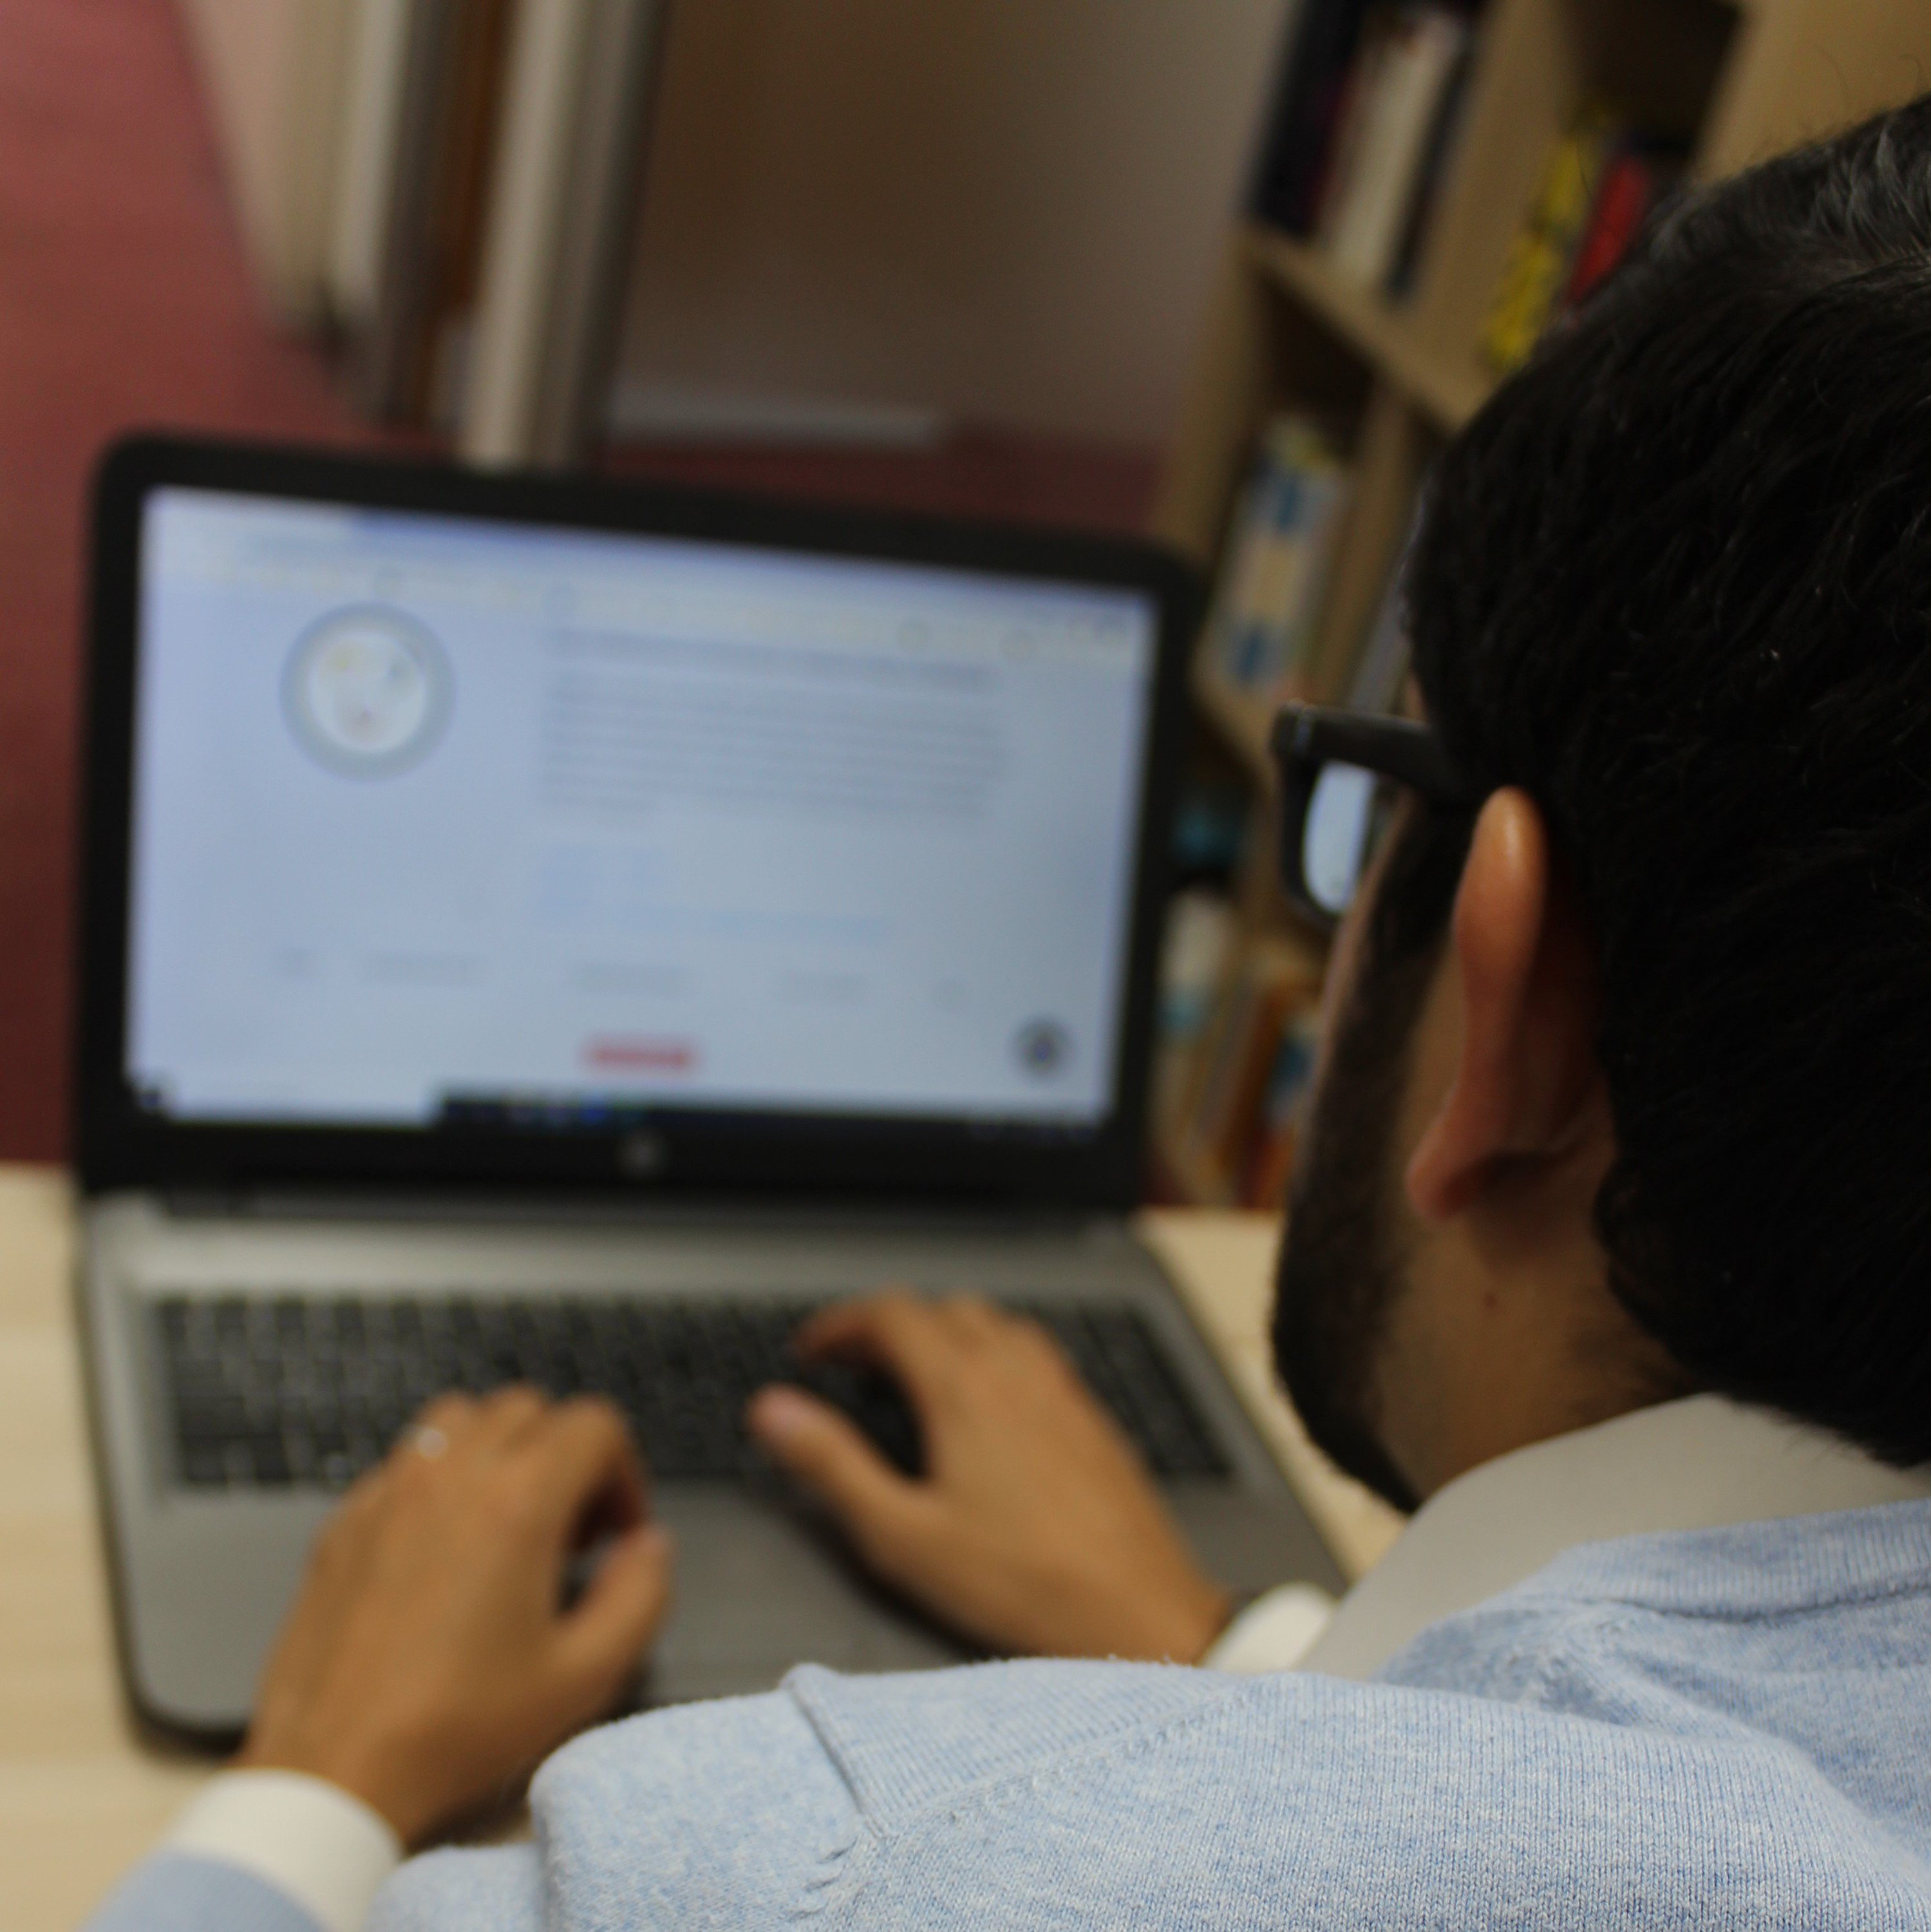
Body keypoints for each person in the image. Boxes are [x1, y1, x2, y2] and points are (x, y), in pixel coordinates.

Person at [86, 97, 1931, 1932]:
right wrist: (1237, 1653)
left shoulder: (780, 1881)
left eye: (1384, 796)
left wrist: (316, 1780)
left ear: (1508, 996)